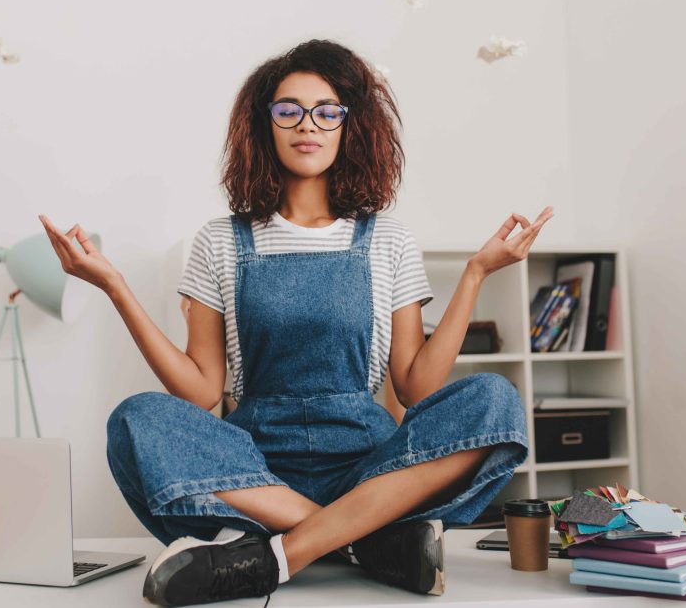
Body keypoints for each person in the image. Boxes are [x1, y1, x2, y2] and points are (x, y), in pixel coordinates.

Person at [39, 38, 554, 607]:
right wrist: (115, 286)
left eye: (327, 111)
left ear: (349, 126)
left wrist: (477, 274)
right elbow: (201, 391)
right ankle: (360, 541)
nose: (307, 124)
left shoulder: (387, 238)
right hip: (258, 473)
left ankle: (284, 552)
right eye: (288, 110)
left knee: (495, 400)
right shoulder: (220, 241)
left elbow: (416, 387)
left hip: (369, 466)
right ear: (265, 125)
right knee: (136, 420)